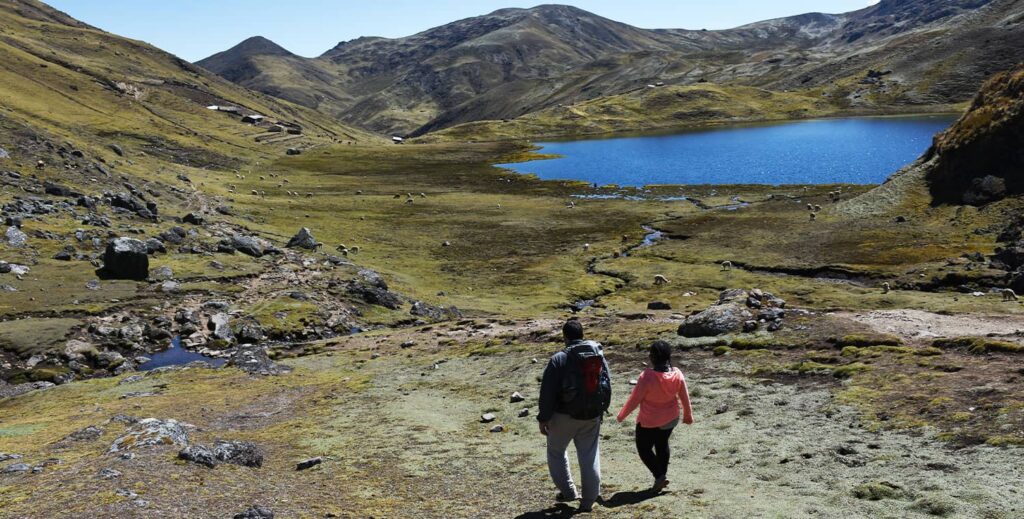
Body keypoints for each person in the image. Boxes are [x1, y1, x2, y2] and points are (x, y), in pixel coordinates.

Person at [537, 320, 612, 513]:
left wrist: (543, 418)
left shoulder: (559, 359)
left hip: (563, 416)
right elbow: (607, 383)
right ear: (582, 334)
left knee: (556, 451)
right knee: (589, 456)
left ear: (565, 337)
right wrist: (602, 409)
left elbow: (547, 392)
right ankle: (588, 501)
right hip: (592, 415)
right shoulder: (597, 354)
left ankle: (569, 492)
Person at [616, 340, 693, 492]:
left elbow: (634, 399)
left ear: (652, 357)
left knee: (644, 449)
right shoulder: (677, 374)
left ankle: (659, 476)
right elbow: (684, 396)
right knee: (662, 444)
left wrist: (621, 415)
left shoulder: (647, 376)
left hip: (649, 421)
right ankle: (661, 477)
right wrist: (688, 415)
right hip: (671, 419)